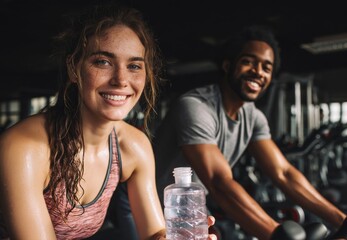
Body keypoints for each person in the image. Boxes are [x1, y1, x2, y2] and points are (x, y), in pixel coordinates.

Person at [0, 3, 216, 240]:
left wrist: (178, 237)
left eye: (134, 66)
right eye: (103, 62)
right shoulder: (23, 148)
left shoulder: (133, 146)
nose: (121, 80)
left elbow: (154, 233)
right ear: (74, 68)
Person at [153, 25, 347, 240]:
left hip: (190, 207)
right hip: (149, 203)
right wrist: (277, 234)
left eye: (267, 67)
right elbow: (219, 182)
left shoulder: (253, 116)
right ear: (228, 65)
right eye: (248, 62)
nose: (258, 72)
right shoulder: (195, 107)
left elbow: (283, 173)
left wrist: (344, 222)